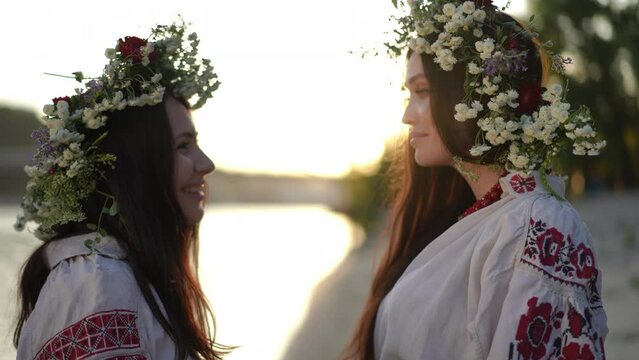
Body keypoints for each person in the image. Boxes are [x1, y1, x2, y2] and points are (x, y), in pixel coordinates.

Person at [346, 1, 608, 359]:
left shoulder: (540, 226)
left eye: (422, 92)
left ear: (477, 92)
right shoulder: (472, 218)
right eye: (409, 95)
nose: (407, 115)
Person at [13, 20, 230, 359]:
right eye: (183, 146)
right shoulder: (97, 286)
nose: (206, 164)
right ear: (134, 165)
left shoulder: (117, 275)